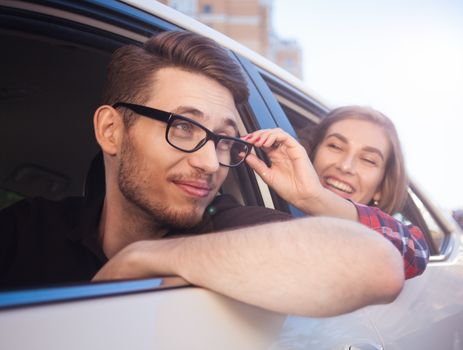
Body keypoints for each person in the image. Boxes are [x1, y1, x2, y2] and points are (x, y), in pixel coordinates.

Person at [0, 31, 405, 317]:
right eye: (183, 127)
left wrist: (145, 258)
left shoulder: (223, 226)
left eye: (224, 139)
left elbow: (378, 265)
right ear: (111, 131)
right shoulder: (28, 228)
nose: (211, 163)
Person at [242, 106, 429, 279]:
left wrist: (315, 200)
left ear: (381, 187)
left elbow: (416, 252)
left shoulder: (375, 245)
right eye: (335, 147)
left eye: (368, 159)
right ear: (311, 154)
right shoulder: (261, 208)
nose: (346, 166)